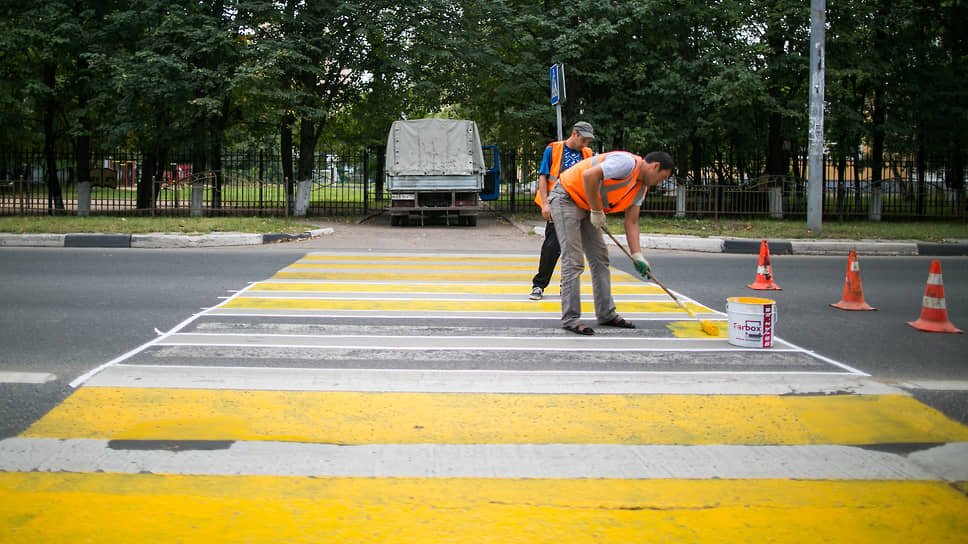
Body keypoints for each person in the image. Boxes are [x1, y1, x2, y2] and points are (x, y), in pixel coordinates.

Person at [547, 150, 675, 335]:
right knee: (573, 261)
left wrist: (637, 255)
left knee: (600, 258)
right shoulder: (627, 164)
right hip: (566, 197)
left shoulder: (640, 188)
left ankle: (606, 314)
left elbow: (631, 222)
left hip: (586, 204)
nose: (660, 183)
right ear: (655, 166)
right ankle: (571, 319)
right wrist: (596, 211)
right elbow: (590, 175)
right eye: (662, 177)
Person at [528, 121, 595, 300]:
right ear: (574, 134)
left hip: (579, 206)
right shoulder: (554, 150)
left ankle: (566, 286)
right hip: (556, 204)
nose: (585, 144)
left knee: (572, 249)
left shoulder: (587, 154)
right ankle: (539, 285)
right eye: (584, 140)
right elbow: (543, 177)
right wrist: (545, 204)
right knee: (551, 246)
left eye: (588, 141)